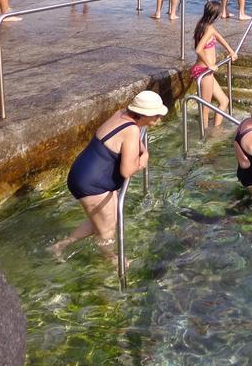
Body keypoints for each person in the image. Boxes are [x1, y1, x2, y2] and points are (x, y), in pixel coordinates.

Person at [49, 90, 167, 265]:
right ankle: (112, 262)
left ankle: (59, 246)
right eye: (156, 115)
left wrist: (141, 149)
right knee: (107, 232)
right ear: (144, 115)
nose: (159, 119)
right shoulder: (132, 130)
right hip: (93, 184)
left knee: (103, 220)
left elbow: (129, 142)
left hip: (84, 172)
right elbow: (127, 171)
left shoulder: (121, 114)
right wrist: (143, 159)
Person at [191, 1, 238, 135]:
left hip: (207, 72)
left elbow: (220, 38)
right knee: (206, 106)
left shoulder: (205, 25)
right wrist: (209, 65)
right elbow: (198, 49)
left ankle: (216, 130)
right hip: (204, 72)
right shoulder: (207, 28)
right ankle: (204, 134)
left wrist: (231, 51)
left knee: (224, 100)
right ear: (215, 15)